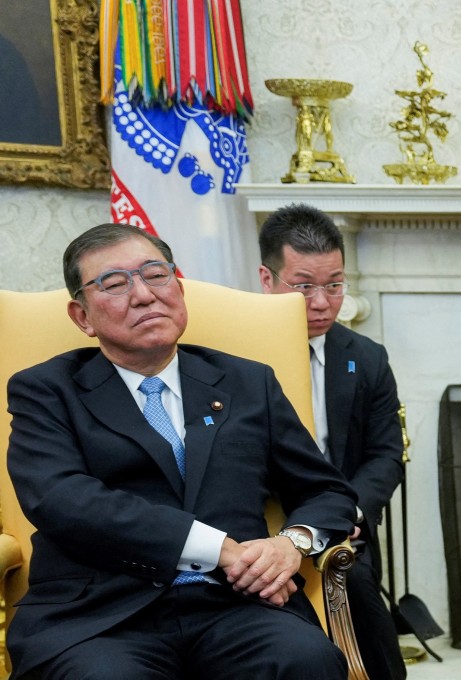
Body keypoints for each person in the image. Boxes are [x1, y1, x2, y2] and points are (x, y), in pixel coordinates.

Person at [6, 223, 360, 679]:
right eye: (114, 284)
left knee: (303, 660)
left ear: (179, 287)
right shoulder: (46, 390)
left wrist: (290, 545)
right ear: (82, 317)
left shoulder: (246, 382)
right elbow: (61, 499)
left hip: (236, 605)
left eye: (156, 275)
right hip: (102, 616)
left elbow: (326, 492)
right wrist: (219, 549)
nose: (144, 295)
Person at [258, 203, 407, 680]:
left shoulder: (365, 358)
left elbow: (385, 454)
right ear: (267, 279)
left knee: (360, 598)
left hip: (345, 529)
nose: (322, 302)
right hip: (257, 526)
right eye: (303, 286)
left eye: (335, 284)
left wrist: (351, 513)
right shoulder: (228, 356)